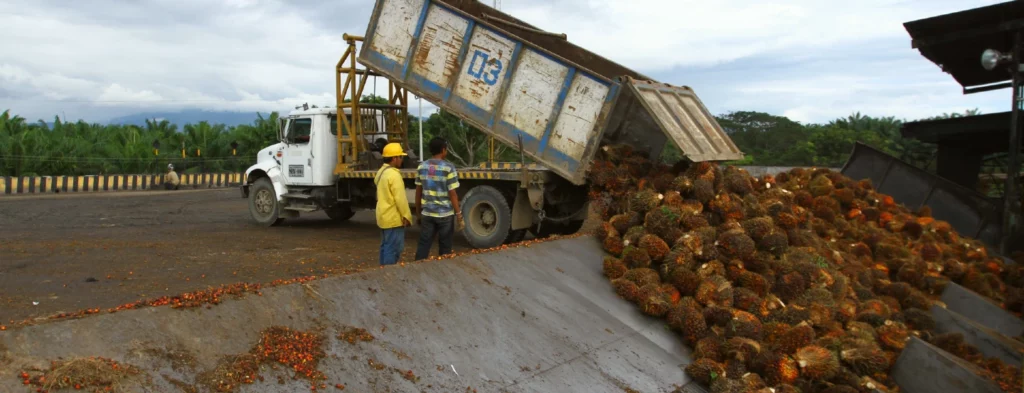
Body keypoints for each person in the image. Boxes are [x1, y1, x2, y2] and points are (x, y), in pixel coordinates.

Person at [414, 137, 462, 260]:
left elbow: (418, 192)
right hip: (445, 215)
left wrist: (418, 213)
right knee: (445, 247)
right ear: (443, 150)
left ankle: (417, 269)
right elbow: (453, 194)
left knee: (424, 244)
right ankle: (443, 271)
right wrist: (459, 214)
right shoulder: (448, 168)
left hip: (428, 213)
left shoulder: (422, 167)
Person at [374, 143, 413, 266]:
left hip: (383, 216)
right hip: (393, 218)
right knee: (394, 248)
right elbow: (400, 199)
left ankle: (382, 271)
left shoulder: (381, 172)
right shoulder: (394, 175)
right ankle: (388, 273)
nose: (402, 160)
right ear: (394, 158)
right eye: (400, 157)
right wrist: (406, 216)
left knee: (385, 246)